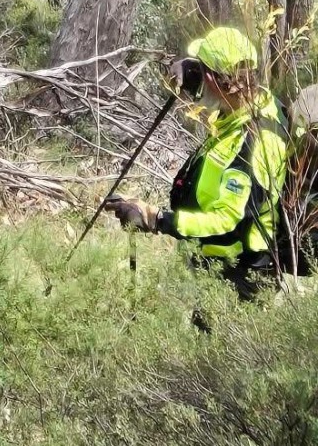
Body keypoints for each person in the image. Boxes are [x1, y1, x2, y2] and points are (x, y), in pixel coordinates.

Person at [104, 26, 289, 294]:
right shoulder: (250, 103)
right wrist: (187, 67)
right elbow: (222, 89)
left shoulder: (257, 142)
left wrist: (156, 219)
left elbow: (226, 220)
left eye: (202, 71)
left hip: (240, 279)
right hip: (218, 266)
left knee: (212, 336)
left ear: (215, 80)